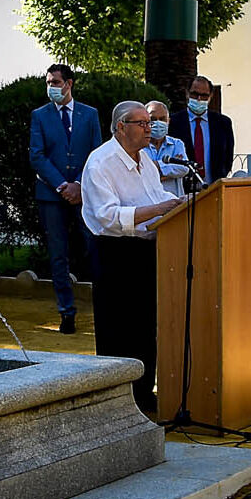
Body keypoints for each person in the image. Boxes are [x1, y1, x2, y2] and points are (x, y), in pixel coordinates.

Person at [81, 101, 182, 412]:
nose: (149, 129)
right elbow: (108, 216)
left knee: (145, 326)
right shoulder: (101, 163)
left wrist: (183, 202)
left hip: (147, 251)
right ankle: (116, 401)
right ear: (121, 127)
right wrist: (161, 208)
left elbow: (157, 196)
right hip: (115, 253)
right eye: (141, 123)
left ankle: (143, 393)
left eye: (149, 123)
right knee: (117, 328)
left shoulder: (146, 160)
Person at [30, 63, 104, 333]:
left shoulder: (89, 114)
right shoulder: (40, 115)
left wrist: (80, 185)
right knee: (58, 255)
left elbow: (97, 154)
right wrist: (63, 186)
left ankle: (103, 306)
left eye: (56, 82)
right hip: (51, 195)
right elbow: (37, 155)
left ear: (69, 84)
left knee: (94, 248)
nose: (51, 87)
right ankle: (66, 312)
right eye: (48, 82)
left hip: (85, 194)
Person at [170, 75, 235, 183]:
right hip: (183, 187)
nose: (199, 99)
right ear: (187, 93)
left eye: (204, 95)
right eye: (195, 94)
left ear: (210, 96)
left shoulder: (223, 123)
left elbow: (228, 157)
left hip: (214, 186)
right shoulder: (174, 122)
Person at [147, 100, 192, 195]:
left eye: (162, 119)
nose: (158, 123)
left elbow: (184, 168)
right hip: (148, 202)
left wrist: (157, 165)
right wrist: (171, 171)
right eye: (153, 119)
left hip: (175, 201)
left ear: (168, 121)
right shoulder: (138, 146)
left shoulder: (177, 144)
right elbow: (140, 173)